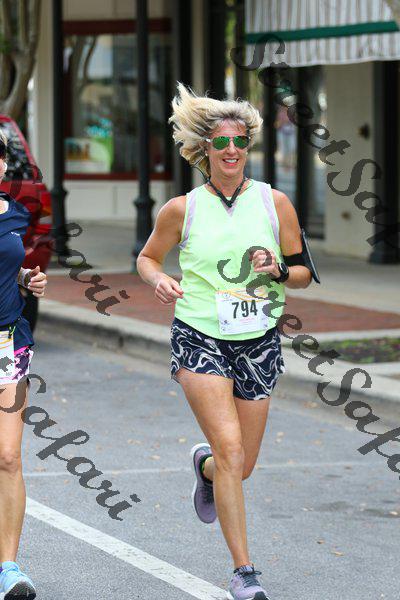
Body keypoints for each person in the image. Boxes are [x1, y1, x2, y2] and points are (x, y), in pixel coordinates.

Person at [137, 83, 312, 600]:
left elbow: (303, 273)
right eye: (220, 142)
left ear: (248, 146)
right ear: (204, 150)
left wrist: (277, 270)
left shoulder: (275, 202)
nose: (231, 150)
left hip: (258, 339)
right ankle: (244, 571)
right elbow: (148, 257)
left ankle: (206, 467)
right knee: (232, 449)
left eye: (240, 141)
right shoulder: (181, 209)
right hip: (200, 336)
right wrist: (158, 279)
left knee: (240, 465)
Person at [0, 130, 47, 600]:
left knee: (9, 456)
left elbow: (10, 266)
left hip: (8, 344)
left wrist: (27, 279)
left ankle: (8, 568)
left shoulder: (15, 213)